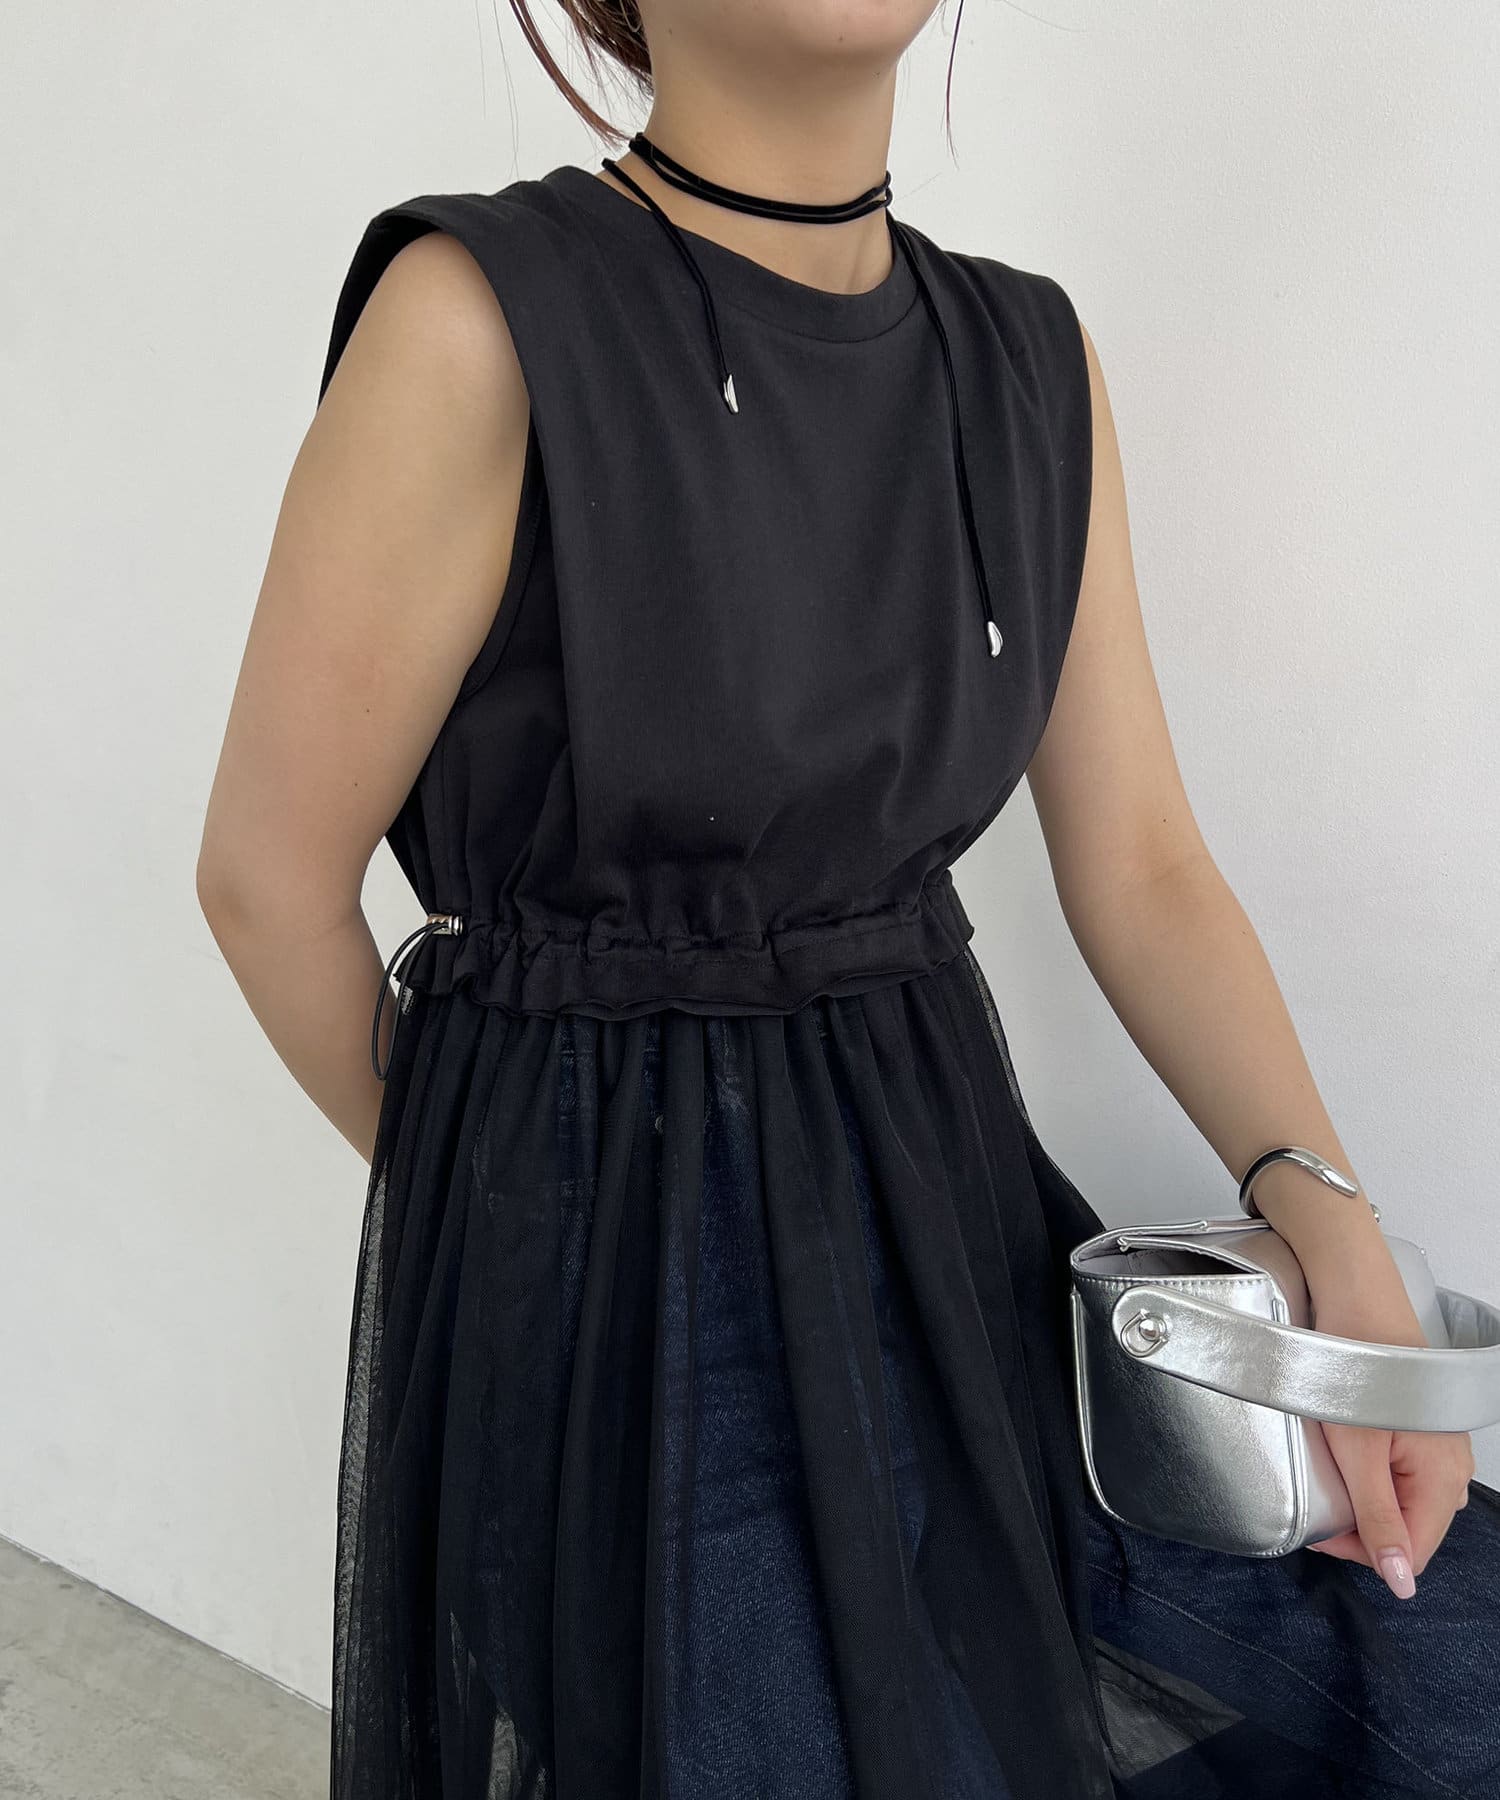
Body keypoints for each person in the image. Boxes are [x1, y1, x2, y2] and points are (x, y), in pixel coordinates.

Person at [195, 3, 1500, 1795]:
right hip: (633, 1317)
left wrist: (1324, 1213)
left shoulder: (1030, 362)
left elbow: (1142, 861)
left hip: (950, 1229)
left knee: (1437, 1674)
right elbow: (268, 882)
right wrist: (520, 1226)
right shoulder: (482, 319)